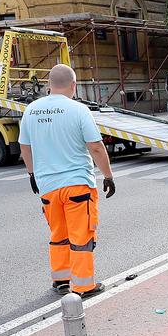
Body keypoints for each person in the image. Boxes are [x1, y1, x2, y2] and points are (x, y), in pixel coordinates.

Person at [20, 64, 116, 297]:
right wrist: (108, 175)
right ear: (73, 85)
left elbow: (25, 145)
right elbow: (95, 146)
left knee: (58, 234)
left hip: (47, 187)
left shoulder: (31, 110)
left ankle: (61, 280)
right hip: (77, 184)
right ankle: (84, 285)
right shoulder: (78, 110)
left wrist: (32, 174)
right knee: (81, 237)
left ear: (48, 85)